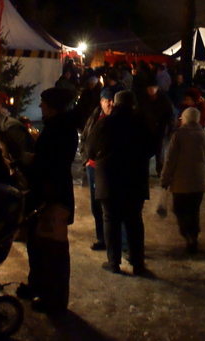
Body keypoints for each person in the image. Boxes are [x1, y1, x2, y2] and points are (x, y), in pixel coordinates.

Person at [20, 87, 79, 314]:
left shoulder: (60, 129)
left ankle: (53, 298)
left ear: (53, 107)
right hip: (47, 193)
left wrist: (33, 162)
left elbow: (53, 163)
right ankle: (39, 286)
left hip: (52, 197)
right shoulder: (58, 127)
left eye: (44, 103)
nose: (40, 107)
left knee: (51, 247)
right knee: (38, 245)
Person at [85, 90, 155, 276]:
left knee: (111, 220)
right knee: (134, 221)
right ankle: (138, 264)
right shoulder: (141, 124)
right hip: (135, 180)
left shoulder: (104, 123)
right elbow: (152, 148)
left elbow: (90, 149)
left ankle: (113, 262)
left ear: (115, 104)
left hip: (109, 180)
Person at [160, 107, 205, 254]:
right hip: (199, 181)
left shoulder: (179, 135)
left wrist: (165, 178)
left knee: (179, 209)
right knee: (194, 210)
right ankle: (193, 235)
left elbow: (170, 160)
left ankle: (188, 234)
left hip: (180, 182)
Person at [80, 86, 117, 251]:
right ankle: (102, 238)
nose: (109, 104)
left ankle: (117, 242)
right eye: (106, 100)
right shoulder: (95, 117)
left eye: (111, 100)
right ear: (101, 102)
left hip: (111, 168)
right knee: (97, 205)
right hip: (94, 168)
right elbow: (84, 139)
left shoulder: (119, 119)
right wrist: (85, 161)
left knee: (112, 205)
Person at [138, 77, 176, 174]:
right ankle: (144, 171)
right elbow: (139, 113)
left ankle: (160, 171)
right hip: (146, 130)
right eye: (149, 87)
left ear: (157, 88)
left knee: (159, 152)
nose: (151, 90)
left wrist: (170, 128)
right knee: (145, 152)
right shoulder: (143, 99)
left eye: (153, 87)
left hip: (160, 130)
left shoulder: (164, 99)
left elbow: (170, 115)